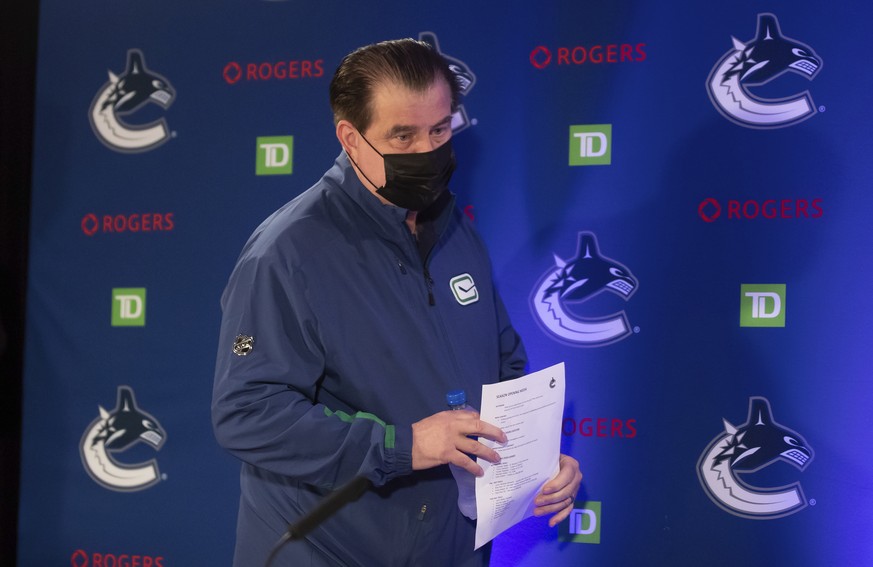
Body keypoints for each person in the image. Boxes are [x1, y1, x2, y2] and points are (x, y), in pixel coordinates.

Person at [212, 38, 582, 566]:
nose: (426, 153)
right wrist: (402, 445)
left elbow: (503, 368)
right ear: (351, 138)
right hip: (330, 550)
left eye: (439, 130)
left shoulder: (456, 232)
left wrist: (534, 460)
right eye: (402, 135)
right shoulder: (286, 254)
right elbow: (248, 413)